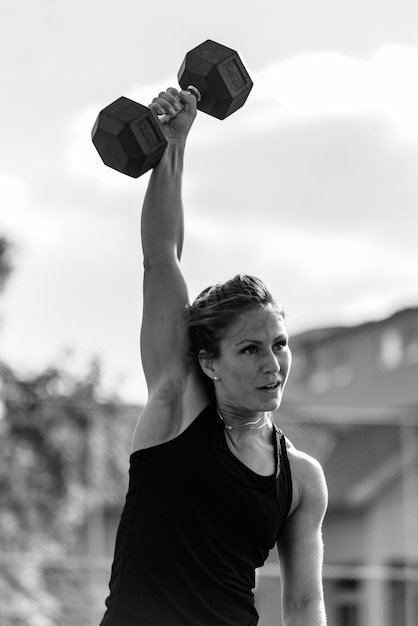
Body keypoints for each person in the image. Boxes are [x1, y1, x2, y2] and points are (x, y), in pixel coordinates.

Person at [99, 88, 328, 626]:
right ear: (209, 363)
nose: (272, 364)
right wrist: (174, 144)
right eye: (249, 349)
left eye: (279, 344)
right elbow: (161, 260)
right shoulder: (176, 403)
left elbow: (304, 602)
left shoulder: (302, 478)